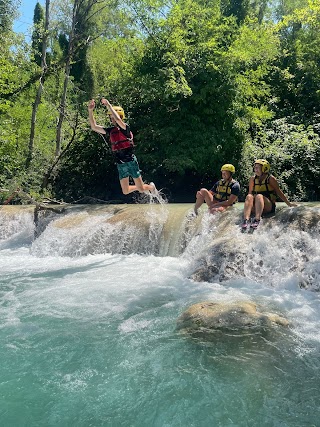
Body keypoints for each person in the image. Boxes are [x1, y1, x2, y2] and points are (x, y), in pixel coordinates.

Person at [88, 98, 157, 196]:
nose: (111, 119)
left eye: (112, 116)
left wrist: (108, 105)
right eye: (110, 117)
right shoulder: (111, 130)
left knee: (141, 189)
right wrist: (90, 111)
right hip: (120, 164)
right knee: (125, 191)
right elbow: (94, 127)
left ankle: (151, 187)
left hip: (130, 162)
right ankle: (144, 186)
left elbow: (118, 120)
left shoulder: (125, 128)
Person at [241, 159, 298, 230]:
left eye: (257, 168)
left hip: (268, 206)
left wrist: (288, 204)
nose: (255, 170)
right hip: (256, 206)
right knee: (249, 196)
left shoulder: (270, 179)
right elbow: (250, 193)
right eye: (255, 168)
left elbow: (278, 192)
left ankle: (257, 219)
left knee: (259, 196)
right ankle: (246, 220)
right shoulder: (252, 179)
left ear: (264, 169)